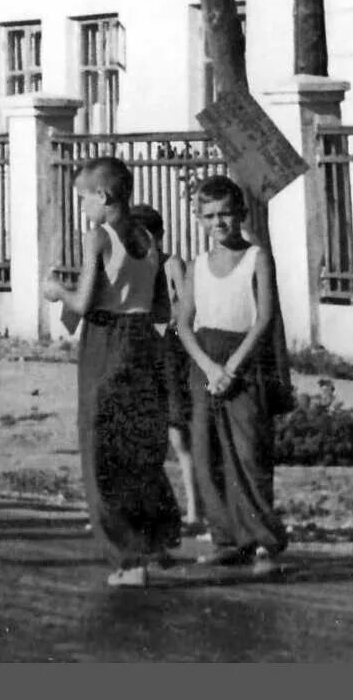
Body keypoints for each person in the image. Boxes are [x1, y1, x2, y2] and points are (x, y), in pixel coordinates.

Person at [43, 157, 186, 589]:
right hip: (144, 338)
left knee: (101, 447)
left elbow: (85, 303)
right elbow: (162, 307)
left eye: (83, 199)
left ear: (103, 197)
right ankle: (156, 540)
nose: (83, 208)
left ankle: (128, 556)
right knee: (139, 443)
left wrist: (57, 291)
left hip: (107, 340)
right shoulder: (146, 235)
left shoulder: (98, 237)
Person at [176, 176, 289, 572]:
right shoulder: (197, 266)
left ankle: (262, 543)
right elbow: (185, 325)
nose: (218, 222)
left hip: (244, 365)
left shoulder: (256, 257)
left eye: (225, 213)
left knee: (249, 452)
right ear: (199, 219)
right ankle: (226, 538)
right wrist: (209, 368)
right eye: (209, 216)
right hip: (204, 365)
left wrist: (233, 367)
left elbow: (265, 319)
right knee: (208, 455)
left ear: (240, 213)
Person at [133, 203, 200, 532]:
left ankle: (195, 509)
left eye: (147, 236)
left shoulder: (170, 263)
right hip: (144, 348)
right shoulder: (134, 266)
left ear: (158, 235)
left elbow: (186, 306)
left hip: (169, 350)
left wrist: (162, 315)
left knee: (178, 435)